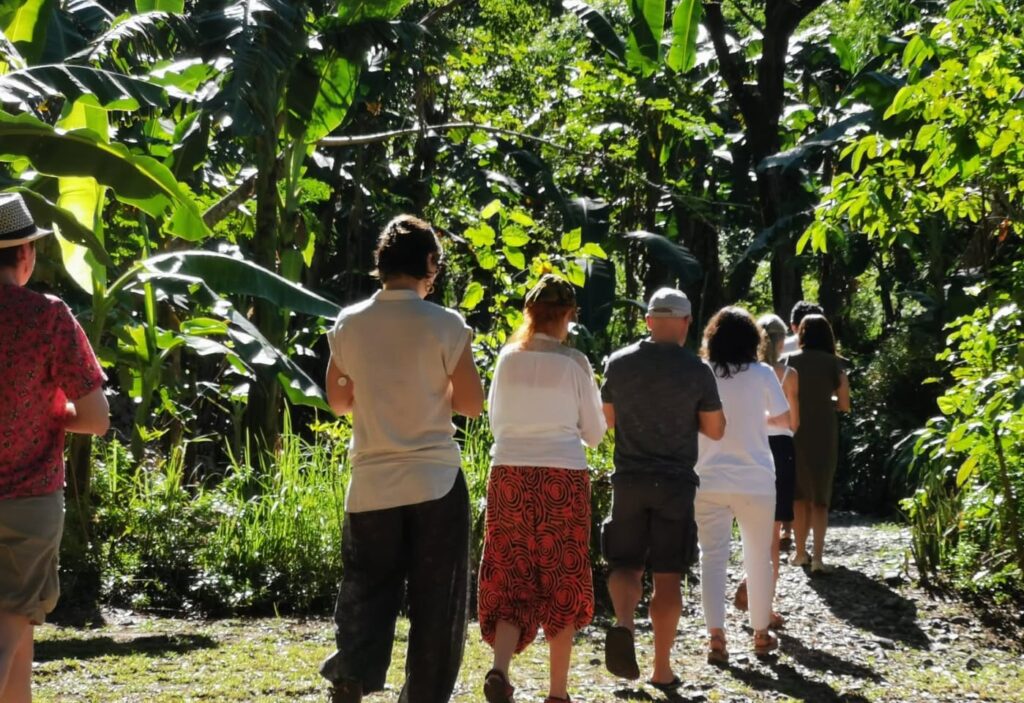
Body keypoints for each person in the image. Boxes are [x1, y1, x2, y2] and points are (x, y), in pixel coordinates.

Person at [319, 215, 485, 703]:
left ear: (382, 263)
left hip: (371, 481)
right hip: (434, 480)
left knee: (366, 589)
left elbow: (338, 400)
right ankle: (423, 695)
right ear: (429, 265)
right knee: (438, 603)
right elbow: (472, 405)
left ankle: (352, 675)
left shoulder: (349, 322)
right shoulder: (446, 325)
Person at [0, 192, 109, 703]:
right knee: (11, 623)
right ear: (24, 254)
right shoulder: (47, 315)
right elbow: (95, 418)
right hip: (30, 502)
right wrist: (52, 411)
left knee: (19, 639)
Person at [478, 274, 606, 703]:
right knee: (563, 575)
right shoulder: (575, 363)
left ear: (529, 314)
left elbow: (495, 422)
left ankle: (500, 669)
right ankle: (557, 692)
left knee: (511, 570)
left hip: (509, 474)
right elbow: (594, 434)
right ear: (568, 315)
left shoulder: (507, 359)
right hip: (562, 478)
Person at [600, 288, 725, 690]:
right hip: (675, 483)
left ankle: (623, 623)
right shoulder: (697, 370)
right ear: (687, 323)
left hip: (629, 480)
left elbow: (608, 421)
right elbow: (716, 429)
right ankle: (661, 668)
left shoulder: (618, 364)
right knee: (668, 576)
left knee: (625, 565)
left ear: (648, 320)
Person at [695, 306, 789, 664]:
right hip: (756, 479)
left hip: (708, 477)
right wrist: (756, 418)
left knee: (713, 557)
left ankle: (716, 637)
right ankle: (761, 634)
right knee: (759, 558)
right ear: (754, 340)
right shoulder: (763, 373)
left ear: (712, 338)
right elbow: (784, 417)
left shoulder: (702, 372)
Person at [733, 315, 801, 627]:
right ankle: (766, 607)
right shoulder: (788, 375)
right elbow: (792, 423)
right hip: (780, 451)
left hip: (750, 448)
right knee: (772, 534)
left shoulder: (745, 373)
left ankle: (750, 578)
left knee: (752, 527)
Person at [786, 314, 851, 573]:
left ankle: (800, 552)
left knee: (799, 494)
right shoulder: (835, 364)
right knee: (820, 497)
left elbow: (781, 398)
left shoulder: (789, 362)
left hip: (795, 430)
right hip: (824, 432)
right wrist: (826, 401)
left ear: (801, 335)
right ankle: (819, 559)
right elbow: (845, 404)